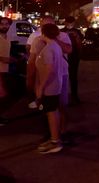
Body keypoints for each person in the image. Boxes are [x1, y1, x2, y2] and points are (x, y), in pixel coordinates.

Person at [34, 23, 69, 154]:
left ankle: (55, 141)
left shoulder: (49, 48)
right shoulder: (55, 46)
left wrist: (41, 87)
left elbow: (49, 70)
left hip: (50, 86)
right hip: (54, 84)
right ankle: (55, 139)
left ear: (44, 33)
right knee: (53, 111)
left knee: (51, 112)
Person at [60, 16, 83, 104]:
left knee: (73, 76)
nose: (69, 24)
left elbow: (80, 43)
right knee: (62, 76)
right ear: (65, 23)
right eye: (68, 22)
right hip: (63, 56)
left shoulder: (76, 31)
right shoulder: (61, 31)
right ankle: (62, 95)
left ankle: (74, 96)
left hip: (74, 56)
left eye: (71, 23)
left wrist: (76, 36)